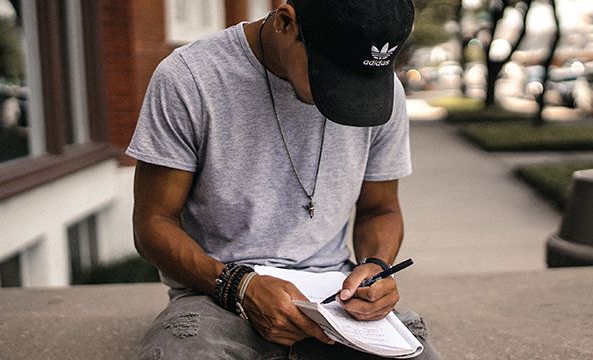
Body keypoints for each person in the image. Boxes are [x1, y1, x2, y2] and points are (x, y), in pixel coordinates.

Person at [127, 0, 440, 359]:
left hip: (335, 301)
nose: (348, 95)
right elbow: (153, 223)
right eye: (333, 73)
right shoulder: (190, 78)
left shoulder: (380, 93)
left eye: (361, 78)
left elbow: (379, 209)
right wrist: (239, 286)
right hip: (216, 292)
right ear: (285, 22)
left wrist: (376, 268)